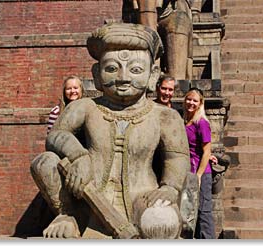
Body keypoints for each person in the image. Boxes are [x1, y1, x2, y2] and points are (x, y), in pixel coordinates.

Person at [30, 22, 191, 239]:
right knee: (44, 161)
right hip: (87, 195)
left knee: (162, 223)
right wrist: (78, 155)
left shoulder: (165, 116)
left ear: (153, 75)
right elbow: (57, 135)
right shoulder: (86, 107)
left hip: (141, 198)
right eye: (112, 68)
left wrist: (169, 188)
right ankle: (68, 215)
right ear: (97, 74)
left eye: (135, 70)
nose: (123, 77)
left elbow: (177, 158)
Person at [183, 87, 216, 239]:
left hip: (200, 172)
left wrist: (199, 175)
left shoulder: (201, 122)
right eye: (189, 99)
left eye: (195, 100)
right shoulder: (185, 120)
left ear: (200, 103)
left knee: (204, 212)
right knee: (189, 211)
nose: (191, 103)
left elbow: (206, 152)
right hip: (188, 172)